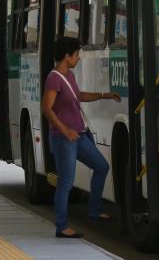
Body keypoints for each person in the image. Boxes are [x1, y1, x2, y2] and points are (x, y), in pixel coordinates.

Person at [42, 36, 121, 238]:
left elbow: (78, 96)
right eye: (76, 55)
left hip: (80, 135)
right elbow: (47, 109)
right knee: (66, 183)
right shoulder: (54, 78)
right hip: (63, 139)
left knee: (101, 166)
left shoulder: (69, 75)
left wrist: (104, 95)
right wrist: (65, 130)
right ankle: (61, 226)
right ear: (67, 56)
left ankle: (94, 210)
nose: (79, 58)